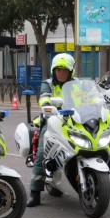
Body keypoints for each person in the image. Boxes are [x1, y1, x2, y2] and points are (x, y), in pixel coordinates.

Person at [27, 53, 76, 207]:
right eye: (58, 70)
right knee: (42, 151)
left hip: (75, 120)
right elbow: (44, 97)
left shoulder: (77, 84)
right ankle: (35, 193)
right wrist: (47, 104)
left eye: (65, 70)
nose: (61, 73)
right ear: (54, 71)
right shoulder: (47, 83)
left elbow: (90, 98)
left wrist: (98, 102)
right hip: (52, 120)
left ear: (71, 71)